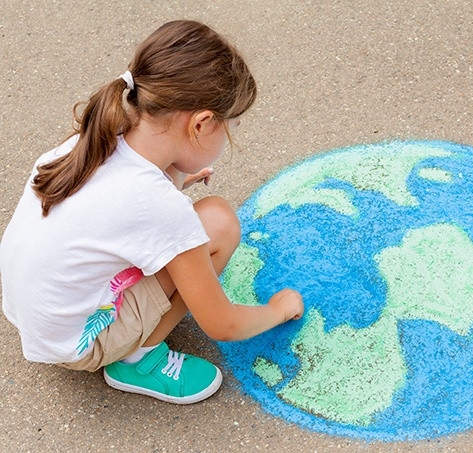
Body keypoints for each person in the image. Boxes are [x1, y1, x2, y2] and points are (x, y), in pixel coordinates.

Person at [0, 20, 304, 404]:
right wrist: (278, 310)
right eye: (231, 126)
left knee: (180, 203)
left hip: (30, 311)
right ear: (202, 123)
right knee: (219, 223)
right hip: (78, 344)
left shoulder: (93, 138)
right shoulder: (160, 207)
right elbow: (222, 324)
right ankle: (137, 359)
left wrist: (177, 177)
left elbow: (125, 207)